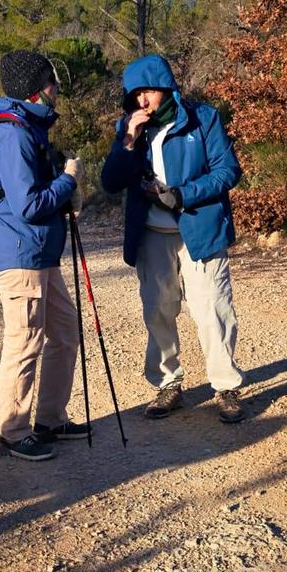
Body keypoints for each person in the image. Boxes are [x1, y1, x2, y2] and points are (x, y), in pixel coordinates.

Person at [101, 53, 245, 424]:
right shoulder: (130, 127)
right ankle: (168, 384)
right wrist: (128, 141)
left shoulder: (203, 118)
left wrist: (181, 195)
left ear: (166, 87)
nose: (142, 100)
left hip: (200, 227)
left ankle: (226, 387)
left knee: (213, 308)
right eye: (135, 95)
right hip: (151, 234)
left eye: (148, 91)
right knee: (157, 309)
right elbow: (110, 182)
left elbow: (228, 170)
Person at [0, 49, 87, 460]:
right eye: (52, 80)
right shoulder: (13, 134)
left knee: (65, 332)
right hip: (21, 253)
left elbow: (36, 197)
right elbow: (30, 205)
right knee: (24, 341)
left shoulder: (27, 128)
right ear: (36, 89)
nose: (57, 87)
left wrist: (65, 194)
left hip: (38, 253)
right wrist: (69, 181)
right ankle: (13, 431)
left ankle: (50, 419)